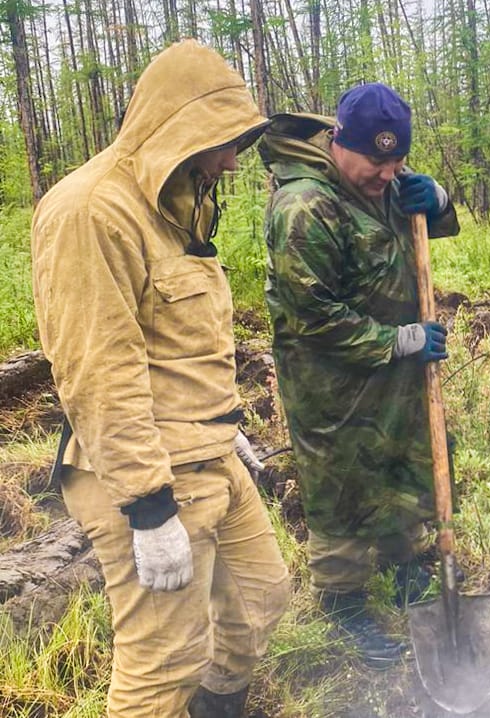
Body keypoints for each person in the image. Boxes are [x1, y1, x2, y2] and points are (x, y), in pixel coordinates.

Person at [31, 40, 291, 717]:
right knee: (163, 661)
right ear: (178, 128)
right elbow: (98, 371)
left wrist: (225, 425)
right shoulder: (93, 210)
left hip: (209, 453)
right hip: (149, 474)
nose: (232, 160)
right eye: (222, 142)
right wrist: (149, 509)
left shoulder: (178, 200)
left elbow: (180, 344)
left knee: (261, 599)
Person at [259, 83, 459, 666]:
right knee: (343, 485)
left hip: (398, 372)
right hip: (334, 385)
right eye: (377, 161)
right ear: (340, 145)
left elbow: (431, 222)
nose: (388, 173)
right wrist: (396, 341)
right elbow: (311, 319)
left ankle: (403, 568)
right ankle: (343, 602)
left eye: (397, 160)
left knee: (401, 460)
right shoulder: (304, 208)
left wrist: (440, 200)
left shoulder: (386, 176)